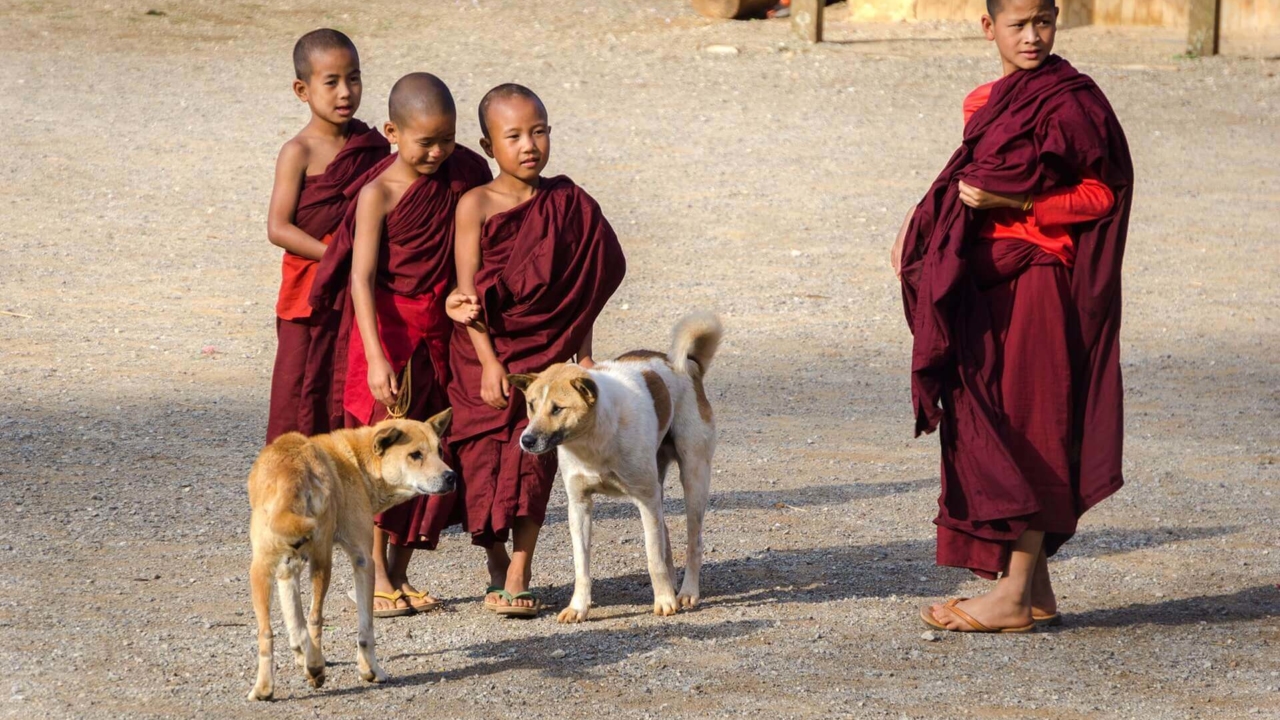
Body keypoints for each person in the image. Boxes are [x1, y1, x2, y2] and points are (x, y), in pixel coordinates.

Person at [894, 0, 1134, 632]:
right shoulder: (982, 102)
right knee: (992, 413)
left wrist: (1018, 201)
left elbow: (1101, 192)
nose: (1032, 37)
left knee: (1027, 423)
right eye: (1018, 24)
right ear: (989, 28)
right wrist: (918, 232)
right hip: (985, 283)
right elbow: (961, 185)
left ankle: (1012, 595)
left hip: (1037, 280)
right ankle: (1034, 591)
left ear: (1056, 20)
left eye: (1043, 22)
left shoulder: (1074, 101)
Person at [309, 72, 491, 617]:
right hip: (389, 334)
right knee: (379, 459)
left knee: (429, 448)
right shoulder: (379, 194)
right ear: (392, 133)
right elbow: (360, 279)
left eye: (447, 140)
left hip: (440, 330)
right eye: (425, 142)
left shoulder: (464, 173)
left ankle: (402, 571)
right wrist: (375, 357)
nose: (437, 153)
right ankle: (375, 577)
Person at [445, 85, 626, 617]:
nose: (530, 145)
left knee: (535, 460)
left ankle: (519, 570)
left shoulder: (570, 204)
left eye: (539, 132)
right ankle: (495, 558)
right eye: (514, 136)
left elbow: (584, 288)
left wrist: (582, 355)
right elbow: (467, 294)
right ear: (487, 146)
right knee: (479, 459)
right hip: (482, 351)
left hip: (545, 354)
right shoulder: (475, 205)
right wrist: (489, 363)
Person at [265, 29, 389, 444]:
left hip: (359, 289)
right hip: (309, 295)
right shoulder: (297, 151)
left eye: (353, 78)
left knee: (346, 387)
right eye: (331, 82)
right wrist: (337, 255)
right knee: (298, 391)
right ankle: (289, 478)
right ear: (302, 90)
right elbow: (278, 227)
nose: (345, 92)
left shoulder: (372, 147)